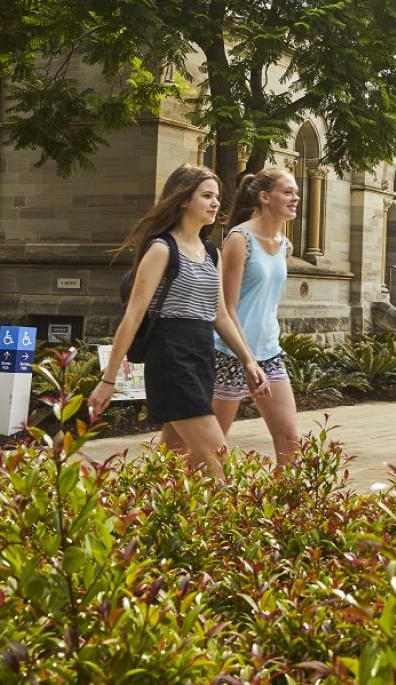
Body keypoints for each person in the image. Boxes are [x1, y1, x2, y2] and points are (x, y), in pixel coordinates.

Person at [87, 165, 267, 478]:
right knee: (218, 459)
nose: (215, 204)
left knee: (172, 462)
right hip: (171, 355)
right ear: (184, 200)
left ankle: (137, 517)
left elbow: (221, 315)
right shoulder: (162, 249)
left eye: (217, 197)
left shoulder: (212, 252)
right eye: (207, 196)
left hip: (201, 355)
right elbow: (133, 315)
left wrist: (249, 361)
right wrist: (109, 380)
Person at [210, 167, 302, 464]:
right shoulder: (239, 239)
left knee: (290, 439)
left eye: (296, 192)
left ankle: (292, 507)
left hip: (270, 353)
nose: (295, 198)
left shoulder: (285, 246)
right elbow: (227, 307)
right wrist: (247, 359)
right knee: (214, 445)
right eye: (287, 192)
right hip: (230, 353)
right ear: (265, 197)